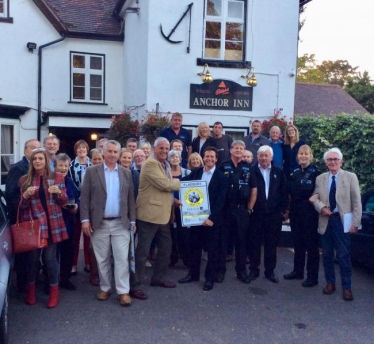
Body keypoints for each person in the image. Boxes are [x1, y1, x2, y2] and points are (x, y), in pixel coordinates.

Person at [80, 140, 136, 307]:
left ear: (119, 154)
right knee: (102, 258)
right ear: (103, 152)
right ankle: (105, 287)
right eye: (109, 151)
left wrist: (132, 220)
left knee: (121, 258)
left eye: (115, 152)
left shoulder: (126, 173)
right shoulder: (91, 171)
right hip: (99, 223)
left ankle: (123, 291)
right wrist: (85, 220)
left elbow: (131, 199)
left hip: (121, 223)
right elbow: (85, 198)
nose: (112, 154)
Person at [130, 137, 180, 301]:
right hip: (149, 215)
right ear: (154, 148)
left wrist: (174, 200)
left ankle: (158, 278)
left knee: (166, 248)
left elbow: (164, 191)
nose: (165, 151)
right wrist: (182, 183)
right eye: (162, 148)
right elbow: (164, 185)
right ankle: (134, 285)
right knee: (142, 252)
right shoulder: (150, 163)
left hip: (163, 215)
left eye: (167, 148)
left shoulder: (164, 164)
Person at [310, 147, 361, 301]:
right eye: (330, 160)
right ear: (326, 162)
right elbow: (314, 198)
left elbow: (357, 202)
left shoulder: (350, 177)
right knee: (326, 255)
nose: (333, 162)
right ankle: (330, 283)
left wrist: (355, 223)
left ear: (341, 161)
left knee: (344, 255)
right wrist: (322, 208)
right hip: (325, 220)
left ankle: (347, 287)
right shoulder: (321, 178)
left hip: (342, 221)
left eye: (335, 159)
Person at [19, 148, 68, 308]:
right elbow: (22, 207)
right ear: (32, 162)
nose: (38, 161)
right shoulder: (25, 180)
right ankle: (30, 291)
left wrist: (59, 193)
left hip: (53, 224)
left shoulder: (57, 177)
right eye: (35, 159)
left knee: (49, 259)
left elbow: (65, 202)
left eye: (41, 158)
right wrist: (25, 197)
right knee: (33, 259)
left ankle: (54, 292)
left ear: (46, 161)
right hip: (35, 225)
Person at [178, 147, 228, 291]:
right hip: (195, 219)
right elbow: (181, 184)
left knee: (212, 251)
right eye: (207, 156)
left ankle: (209, 279)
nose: (209, 159)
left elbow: (221, 201)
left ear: (216, 159)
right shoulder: (196, 172)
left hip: (212, 221)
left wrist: (212, 218)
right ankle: (192, 274)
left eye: (212, 157)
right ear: (203, 157)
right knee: (194, 248)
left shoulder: (222, 177)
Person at [219, 140, 257, 284]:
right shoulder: (223, 166)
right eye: (236, 148)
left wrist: (250, 208)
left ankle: (241, 272)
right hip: (226, 209)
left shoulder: (248, 168)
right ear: (231, 150)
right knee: (223, 243)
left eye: (241, 148)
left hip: (242, 210)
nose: (238, 150)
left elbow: (254, 189)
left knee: (241, 243)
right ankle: (220, 271)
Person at [5, 139, 41, 292]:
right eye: (33, 148)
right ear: (25, 150)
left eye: (38, 149)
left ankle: (30, 280)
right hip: (21, 216)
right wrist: (21, 207)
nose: (35, 152)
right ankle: (22, 284)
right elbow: (11, 194)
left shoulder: (37, 167)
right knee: (23, 250)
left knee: (32, 250)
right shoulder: (18, 168)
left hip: (34, 217)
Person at [249, 145, 288, 283]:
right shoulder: (251, 171)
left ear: (271, 157)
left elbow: (284, 192)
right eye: (261, 155)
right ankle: (254, 270)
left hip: (273, 215)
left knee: (271, 245)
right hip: (256, 214)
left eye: (267, 155)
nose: (264, 158)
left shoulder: (278, 171)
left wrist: (283, 211)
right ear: (257, 157)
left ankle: (269, 271)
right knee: (254, 244)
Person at [284, 145, 320, 287]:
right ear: (297, 156)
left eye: (306, 154)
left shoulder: (316, 172)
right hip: (295, 210)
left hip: (309, 212)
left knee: (311, 245)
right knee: (297, 242)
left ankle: (312, 276)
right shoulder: (294, 172)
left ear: (310, 155)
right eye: (301, 154)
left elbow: (319, 191)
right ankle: (298, 271)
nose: (303, 156)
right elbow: (289, 192)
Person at [54, 153, 79, 291]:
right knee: (52, 254)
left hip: (68, 221)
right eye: (60, 165)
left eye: (65, 165)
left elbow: (77, 197)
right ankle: (50, 281)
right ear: (55, 166)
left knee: (68, 251)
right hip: (55, 222)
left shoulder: (69, 181)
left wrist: (76, 206)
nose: (63, 168)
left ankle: (65, 278)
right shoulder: (50, 181)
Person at [69, 140, 92, 275]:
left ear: (87, 150)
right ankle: (74, 264)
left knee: (89, 235)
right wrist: (79, 200)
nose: (81, 150)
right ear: (76, 150)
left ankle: (89, 263)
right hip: (77, 204)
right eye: (79, 148)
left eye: (84, 147)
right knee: (75, 236)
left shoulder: (93, 164)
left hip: (90, 205)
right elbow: (71, 184)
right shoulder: (71, 165)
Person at [168, 150, 191, 268]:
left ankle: (186, 259)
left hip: (184, 207)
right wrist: (173, 200)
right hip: (169, 207)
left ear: (180, 159)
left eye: (177, 157)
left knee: (184, 235)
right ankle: (173, 257)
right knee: (171, 233)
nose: (175, 158)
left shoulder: (187, 172)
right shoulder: (165, 173)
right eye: (172, 157)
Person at [87, 149, 104, 286]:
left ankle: (104, 274)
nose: (97, 161)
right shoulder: (89, 173)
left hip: (108, 215)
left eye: (100, 159)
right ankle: (94, 274)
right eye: (95, 159)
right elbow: (85, 198)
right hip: (94, 215)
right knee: (93, 247)